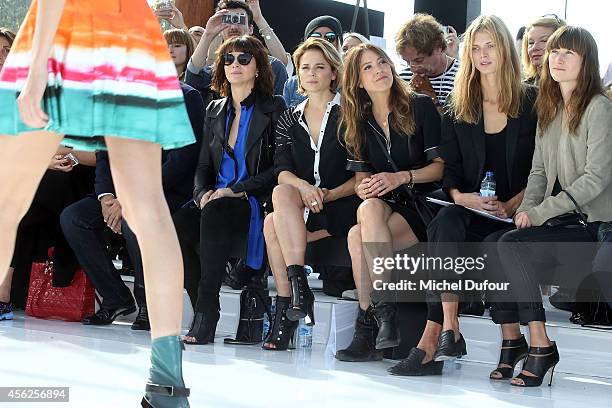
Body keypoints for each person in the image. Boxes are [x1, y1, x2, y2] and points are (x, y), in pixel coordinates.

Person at [0, 1, 195, 407]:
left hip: (64, 32)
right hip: (130, 36)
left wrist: (37, 73)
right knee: (149, 209)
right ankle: (167, 383)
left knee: (4, 203)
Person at [388, 15, 538, 377]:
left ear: (504, 49)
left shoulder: (532, 101)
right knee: (445, 223)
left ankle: (432, 342)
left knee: (482, 238)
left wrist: (514, 202)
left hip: (518, 210)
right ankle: (448, 329)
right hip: (472, 207)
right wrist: (461, 197)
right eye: (475, 47)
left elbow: (542, 167)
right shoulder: (460, 105)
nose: (483, 54)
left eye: (490, 46)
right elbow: (450, 172)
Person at [494, 25, 612, 387]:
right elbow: (539, 173)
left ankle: (541, 345)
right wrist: (523, 216)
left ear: (586, 61)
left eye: (568, 53)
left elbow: (596, 178)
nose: (557, 59)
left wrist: (540, 213)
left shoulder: (599, 107)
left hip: (599, 226)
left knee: (508, 246)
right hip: (570, 222)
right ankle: (514, 341)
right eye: (554, 52)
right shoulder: (550, 109)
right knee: (496, 243)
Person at [60, 81, 204, 331]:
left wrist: (131, 198)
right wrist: (106, 197)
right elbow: (104, 153)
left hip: (166, 191)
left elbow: (183, 159)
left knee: (134, 218)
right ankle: (116, 298)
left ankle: (149, 303)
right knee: (74, 218)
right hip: (121, 193)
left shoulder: (186, 96)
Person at [172, 35, 286, 344]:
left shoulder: (273, 107)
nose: (235, 64)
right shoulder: (214, 109)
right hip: (215, 200)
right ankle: (203, 306)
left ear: (258, 67)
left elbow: (279, 168)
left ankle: (205, 317)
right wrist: (201, 194)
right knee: (175, 229)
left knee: (217, 210)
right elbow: (203, 168)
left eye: (244, 59)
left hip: (251, 199)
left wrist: (235, 190)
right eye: (229, 59)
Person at [334, 43, 443, 363]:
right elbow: (358, 182)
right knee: (364, 214)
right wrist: (367, 187)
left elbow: (440, 168)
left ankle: (371, 324)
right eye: (367, 67)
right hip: (386, 207)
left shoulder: (420, 105)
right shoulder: (357, 121)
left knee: (358, 235)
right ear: (357, 81)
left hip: (424, 204)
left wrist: (401, 177)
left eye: (381, 62)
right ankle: (381, 316)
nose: (379, 70)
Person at [262, 38, 359, 350]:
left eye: (320, 67)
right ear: (298, 75)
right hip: (304, 206)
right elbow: (282, 169)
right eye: (306, 68)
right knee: (282, 191)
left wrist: (326, 195)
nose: (312, 73)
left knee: (271, 225)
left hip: (342, 202)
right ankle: (299, 288)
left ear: (333, 72)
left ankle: (287, 312)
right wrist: (304, 189)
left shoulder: (350, 114)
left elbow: (360, 178)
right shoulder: (289, 117)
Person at [185, 0, 288, 96]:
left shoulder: (273, 66)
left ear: (250, 29)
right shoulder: (218, 67)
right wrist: (208, 34)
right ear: (220, 30)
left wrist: (259, 19)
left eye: (239, 20)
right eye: (228, 20)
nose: (234, 27)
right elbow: (193, 77)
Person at [395, 14, 460, 112]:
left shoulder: (462, 76)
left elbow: (456, 126)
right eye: (407, 62)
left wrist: (430, 98)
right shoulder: (403, 78)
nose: (412, 68)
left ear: (438, 47)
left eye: (418, 60)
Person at [283, 15, 343, 107]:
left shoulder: (350, 82)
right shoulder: (292, 84)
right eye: (316, 37)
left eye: (330, 37)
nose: (322, 41)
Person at [521, 15, 566, 85]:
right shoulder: (523, 90)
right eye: (531, 42)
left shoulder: (573, 86)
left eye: (544, 41)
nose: (534, 47)